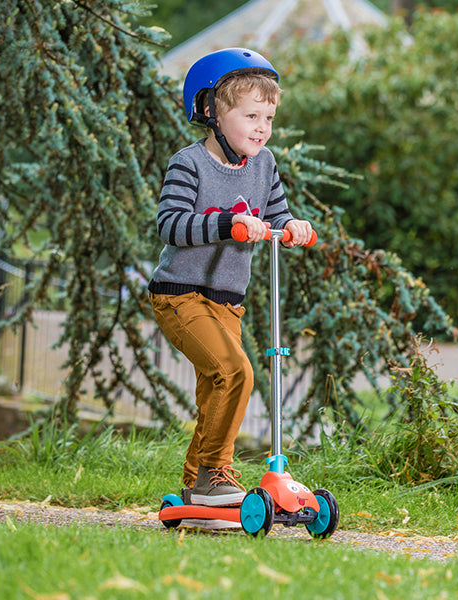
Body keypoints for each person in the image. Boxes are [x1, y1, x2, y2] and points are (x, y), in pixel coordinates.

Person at [148, 48, 313, 517]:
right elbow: (171, 225)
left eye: (269, 117)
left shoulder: (265, 165)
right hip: (180, 295)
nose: (262, 127)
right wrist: (227, 223)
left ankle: (194, 493)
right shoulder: (189, 164)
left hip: (227, 301)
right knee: (236, 373)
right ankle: (214, 474)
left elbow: (276, 215)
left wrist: (293, 226)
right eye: (250, 115)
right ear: (210, 112)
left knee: (214, 389)